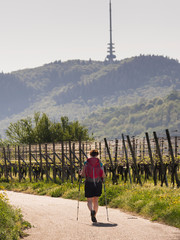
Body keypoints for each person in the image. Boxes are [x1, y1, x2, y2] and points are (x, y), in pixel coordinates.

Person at [79, 149, 105, 223]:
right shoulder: (100, 163)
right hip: (98, 182)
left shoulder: (86, 162)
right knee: (96, 201)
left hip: (88, 182)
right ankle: (94, 216)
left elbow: (83, 174)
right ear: (97, 154)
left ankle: (92, 210)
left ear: (90, 154)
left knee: (89, 200)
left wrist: (80, 173)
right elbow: (103, 174)